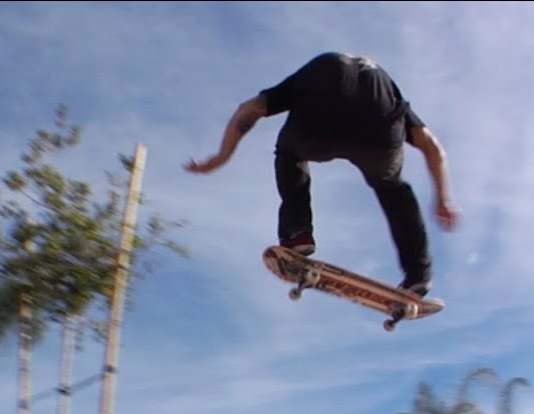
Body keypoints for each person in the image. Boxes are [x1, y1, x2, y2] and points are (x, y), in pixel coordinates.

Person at [185, 51, 459, 296]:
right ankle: (418, 277)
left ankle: (297, 235)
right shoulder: (386, 85)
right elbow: (432, 145)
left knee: (289, 154)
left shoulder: (321, 67)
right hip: (380, 133)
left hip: (316, 122)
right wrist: (444, 198)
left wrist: (222, 156)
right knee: (393, 187)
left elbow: (251, 109)